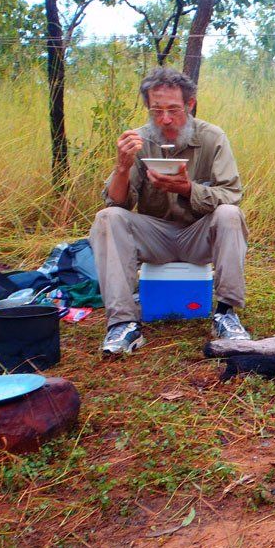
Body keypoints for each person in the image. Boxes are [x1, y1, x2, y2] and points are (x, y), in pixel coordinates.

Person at [90, 67, 251, 355]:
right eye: (156, 111)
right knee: (107, 218)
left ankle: (226, 313)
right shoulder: (138, 140)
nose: (165, 119)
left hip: (198, 235)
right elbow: (117, 204)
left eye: (174, 110)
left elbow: (231, 194)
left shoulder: (212, 137)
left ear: (190, 105)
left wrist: (188, 189)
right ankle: (123, 323)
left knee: (229, 214)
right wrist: (122, 167)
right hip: (155, 235)